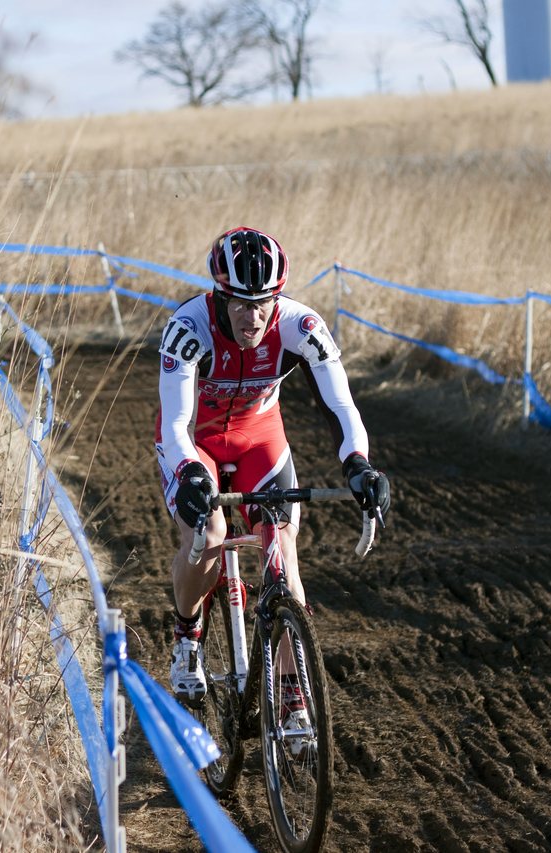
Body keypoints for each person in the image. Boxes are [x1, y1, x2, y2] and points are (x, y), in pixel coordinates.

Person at [155, 226, 391, 724]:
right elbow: (176, 424)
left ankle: (290, 694)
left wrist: (359, 464)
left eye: (263, 301)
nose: (252, 314)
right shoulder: (188, 328)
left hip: (260, 438)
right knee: (211, 535)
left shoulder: (301, 326)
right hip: (197, 441)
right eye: (240, 302)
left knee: (282, 551)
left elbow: (340, 404)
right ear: (219, 295)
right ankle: (186, 634)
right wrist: (189, 473)